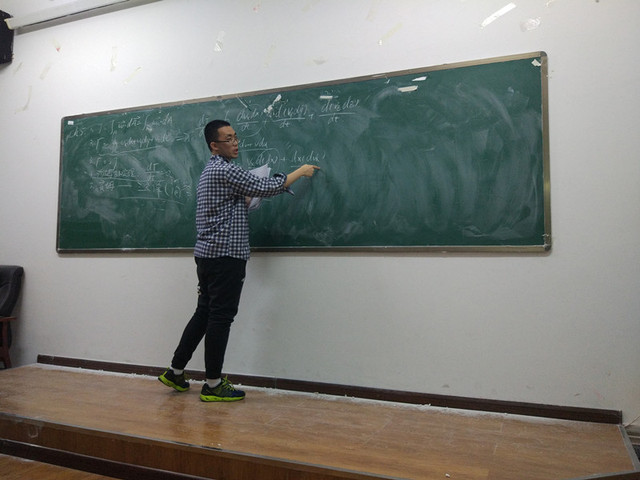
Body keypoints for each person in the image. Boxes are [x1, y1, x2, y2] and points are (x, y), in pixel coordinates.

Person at [159, 119, 319, 402]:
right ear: (214, 145)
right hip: (225, 256)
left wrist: (244, 201)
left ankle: (175, 371)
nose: (235, 143)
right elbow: (266, 187)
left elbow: (231, 203)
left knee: (204, 313)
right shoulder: (224, 170)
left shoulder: (211, 171)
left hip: (208, 255)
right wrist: (300, 171)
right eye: (228, 139)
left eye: (235, 137)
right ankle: (212, 384)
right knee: (220, 318)